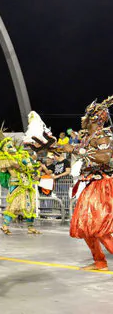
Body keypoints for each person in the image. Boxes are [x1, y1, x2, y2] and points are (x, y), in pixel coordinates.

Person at [59, 96, 113, 270]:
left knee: (100, 228)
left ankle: (100, 261)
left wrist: (76, 149)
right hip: (91, 185)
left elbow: (104, 158)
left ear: (94, 119)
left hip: (104, 185)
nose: (82, 119)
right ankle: (99, 262)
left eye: (85, 116)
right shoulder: (87, 138)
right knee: (85, 225)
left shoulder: (104, 134)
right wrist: (49, 145)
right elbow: (75, 151)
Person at [0, 127, 41, 235]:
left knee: (30, 206)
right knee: (14, 206)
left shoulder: (23, 155)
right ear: (4, 148)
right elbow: (4, 168)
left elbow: (31, 168)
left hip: (27, 184)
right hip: (16, 185)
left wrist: (34, 174)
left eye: (12, 145)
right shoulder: (4, 159)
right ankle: (5, 226)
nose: (11, 147)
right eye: (8, 146)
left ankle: (30, 227)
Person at [49, 152, 71, 218]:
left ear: (58, 155)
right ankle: (62, 213)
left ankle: (67, 212)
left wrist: (57, 176)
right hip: (58, 181)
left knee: (65, 196)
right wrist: (54, 175)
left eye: (55, 156)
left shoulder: (66, 161)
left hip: (64, 181)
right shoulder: (57, 163)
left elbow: (68, 171)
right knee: (59, 197)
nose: (54, 158)